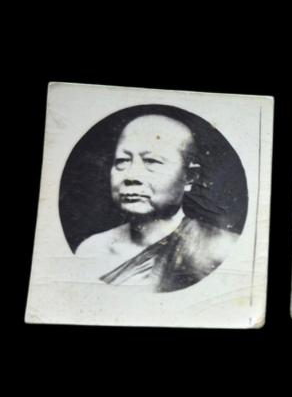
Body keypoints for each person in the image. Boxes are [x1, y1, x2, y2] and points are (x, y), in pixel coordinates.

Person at [76, 114, 239, 292]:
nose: (131, 176)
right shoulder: (92, 250)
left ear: (190, 177)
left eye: (152, 161)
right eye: (122, 161)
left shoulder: (222, 249)